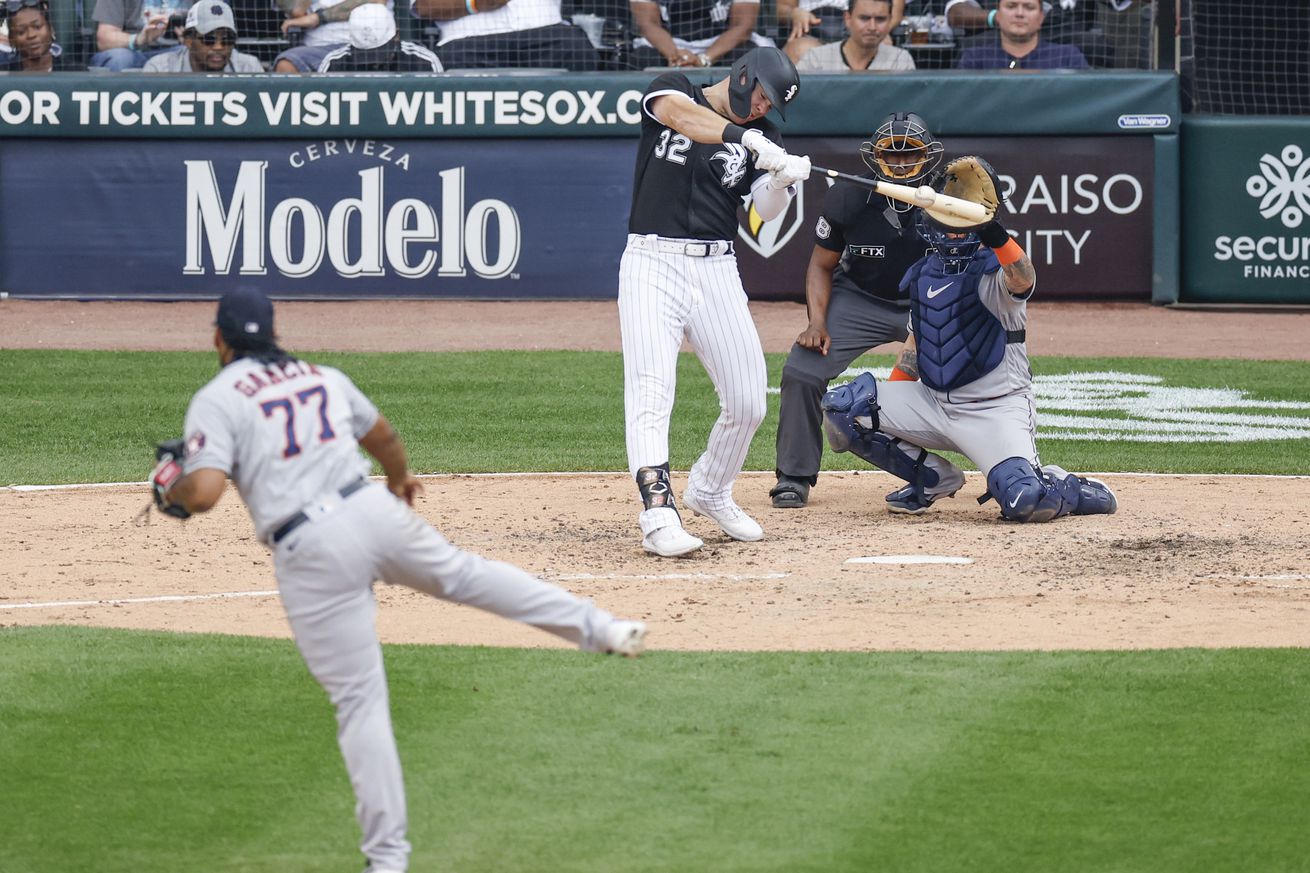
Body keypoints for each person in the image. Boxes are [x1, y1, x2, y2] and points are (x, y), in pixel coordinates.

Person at [149, 287, 648, 873]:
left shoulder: (216, 397)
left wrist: (169, 486)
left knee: (361, 702)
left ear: (218, 338)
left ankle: (388, 861)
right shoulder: (322, 375)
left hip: (308, 547)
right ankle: (600, 627)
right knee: (467, 575)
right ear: (273, 332)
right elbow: (381, 434)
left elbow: (203, 496)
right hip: (370, 509)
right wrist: (399, 479)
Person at [819, 158, 1118, 523]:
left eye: (964, 228)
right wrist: (890, 411)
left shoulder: (997, 274)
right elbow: (914, 348)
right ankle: (930, 479)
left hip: (994, 411)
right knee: (843, 408)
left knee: (1025, 502)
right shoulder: (923, 274)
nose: (955, 234)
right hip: (932, 403)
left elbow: (1024, 278)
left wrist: (994, 233)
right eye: (952, 226)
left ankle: (1064, 486)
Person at [620, 45, 809, 557]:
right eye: (764, 97)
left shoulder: (765, 135)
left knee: (748, 399)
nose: (764, 110)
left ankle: (709, 487)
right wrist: (745, 136)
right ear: (744, 76)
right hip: (652, 259)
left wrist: (782, 180)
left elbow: (766, 214)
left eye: (772, 107)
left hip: (717, 265)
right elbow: (683, 119)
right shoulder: (676, 89)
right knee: (651, 389)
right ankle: (658, 515)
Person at [769, 111, 939, 510]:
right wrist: (816, 321)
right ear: (875, 157)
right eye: (890, 154)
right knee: (801, 370)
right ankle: (794, 475)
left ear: (927, 156)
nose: (899, 161)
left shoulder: (950, 195)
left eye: (908, 153)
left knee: (976, 374)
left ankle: (1006, 469)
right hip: (862, 296)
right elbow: (821, 265)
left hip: (931, 298)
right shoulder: (848, 195)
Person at [409, 0, 597, 70]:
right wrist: (473, 4)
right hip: (470, 45)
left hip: (547, 38)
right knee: (448, 60)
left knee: (576, 46)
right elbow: (422, 7)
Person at [626, 0, 774, 69]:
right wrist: (676, 56)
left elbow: (743, 26)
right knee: (642, 57)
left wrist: (703, 59)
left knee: (749, 58)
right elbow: (648, 24)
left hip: (721, 43)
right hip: (669, 44)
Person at [951, 0, 1093, 69]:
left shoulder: (1068, 57)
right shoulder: (974, 59)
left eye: (1029, 7)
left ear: (1041, 17)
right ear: (998, 15)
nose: (1020, 13)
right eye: (1011, 6)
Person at [143, 0, 265, 71]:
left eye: (227, 40)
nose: (218, 47)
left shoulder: (249, 68)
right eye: (209, 39)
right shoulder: (160, 69)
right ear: (188, 41)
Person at [793, 0, 914, 71]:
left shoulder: (900, 60)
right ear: (848, 18)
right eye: (864, 18)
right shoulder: (815, 59)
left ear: (889, 20)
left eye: (880, 19)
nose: (872, 27)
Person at [318, 1, 443, 69]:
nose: (375, 64)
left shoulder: (423, 61)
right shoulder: (334, 63)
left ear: (396, 36)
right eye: (365, 53)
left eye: (380, 50)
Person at [272, 0, 386, 73]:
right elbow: (296, 10)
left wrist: (318, 17)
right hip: (318, 49)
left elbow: (376, 1)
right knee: (286, 64)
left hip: (366, 46)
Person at [89, 0, 189, 69]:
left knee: (192, 53)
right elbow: (104, 38)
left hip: (177, 50)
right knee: (121, 58)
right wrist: (139, 39)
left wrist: (189, 39)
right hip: (134, 52)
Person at [2, 0, 76, 70]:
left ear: (51, 30)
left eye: (37, 27)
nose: (31, 35)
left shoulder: (76, 73)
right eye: (21, 32)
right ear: (11, 40)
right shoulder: (4, 76)